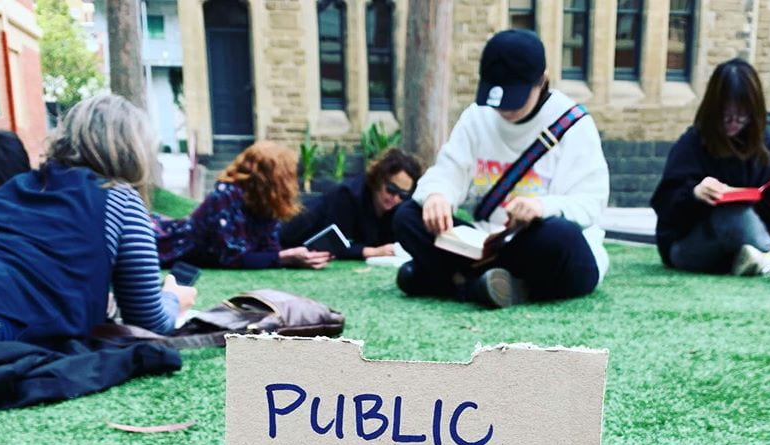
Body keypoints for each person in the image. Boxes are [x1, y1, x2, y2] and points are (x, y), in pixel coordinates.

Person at [0, 93, 195, 394]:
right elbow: (148, 320)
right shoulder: (120, 197)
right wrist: (173, 298)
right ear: (135, 152)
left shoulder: (17, 185)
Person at [393, 29, 609, 308]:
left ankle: (456, 282)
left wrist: (541, 207)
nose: (504, 110)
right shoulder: (476, 116)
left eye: (514, 98)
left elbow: (591, 204)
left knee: (559, 235)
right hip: (485, 245)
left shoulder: (573, 123)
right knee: (407, 215)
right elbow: (448, 172)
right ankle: (493, 285)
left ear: (541, 81)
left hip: (540, 245)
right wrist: (437, 196)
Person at [651, 59, 770, 276]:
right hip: (696, 244)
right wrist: (694, 193)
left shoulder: (762, 144)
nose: (733, 122)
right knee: (732, 213)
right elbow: (664, 204)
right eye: (726, 115)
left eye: (742, 116)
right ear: (713, 110)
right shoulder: (693, 143)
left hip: (755, 236)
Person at [152, 141, 329, 270]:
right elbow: (232, 258)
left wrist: (296, 257)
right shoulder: (226, 194)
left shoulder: (267, 200)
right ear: (271, 177)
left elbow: (269, 249)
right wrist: (284, 258)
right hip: (163, 245)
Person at [279, 147, 423, 259]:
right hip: (291, 239)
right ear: (379, 179)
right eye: (391, 189)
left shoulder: (396, 209)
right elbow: (335, 243)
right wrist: (372, 252)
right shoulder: (347, 195)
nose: (395, 198)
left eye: (403, 195)